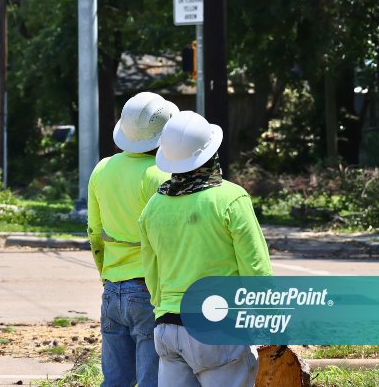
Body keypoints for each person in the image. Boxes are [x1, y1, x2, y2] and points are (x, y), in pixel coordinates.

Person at [139, 110, 272, 386]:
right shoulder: (231, 198)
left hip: (167, 329)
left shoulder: (153, 206)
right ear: (211, 154)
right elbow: (255, 269)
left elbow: (152, 275)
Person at [87, 92, 177, 387]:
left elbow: (94, 233)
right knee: (152, 379)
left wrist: (107, 275)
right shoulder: (161, 176)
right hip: (149, 291)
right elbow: (170, 241)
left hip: (113, 290)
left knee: (115, 380)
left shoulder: (101, 169)